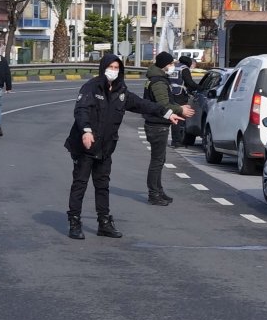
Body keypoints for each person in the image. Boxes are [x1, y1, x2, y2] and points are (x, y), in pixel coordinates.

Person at [64, 54, 193, 239]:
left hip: (105, 147)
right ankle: (74, 222)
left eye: (117, 68)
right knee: (80, 184)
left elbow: (143, 104)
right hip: (86, 145)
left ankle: (104, 223)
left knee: (103, 186)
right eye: (111, 67)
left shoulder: (121, 91)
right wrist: (86, 131)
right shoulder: (91, 87)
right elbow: (81, 110)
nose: (114, 71)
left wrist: (166, 113)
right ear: (103, 68)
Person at [142, 51, 192, 205]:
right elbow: (163, 104)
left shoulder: (159, 79)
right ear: (165, 65)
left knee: (160, 159)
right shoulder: (158, 82)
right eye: (171, 64)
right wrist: (181, 109)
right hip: (156, 125)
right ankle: (153, 194)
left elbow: (165, 102)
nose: (173, 66)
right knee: (157, 161)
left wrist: (178, 108)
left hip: (159, 123)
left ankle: (158, 190)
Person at [168, 55, 202, 147]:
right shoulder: (184, 69)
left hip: (171, 94)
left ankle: (175, 140)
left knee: (174, 117)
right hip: (180, 95)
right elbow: (189, 83)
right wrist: (200, 88)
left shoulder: (174, 67)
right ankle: (177, 141)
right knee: (180, 118)